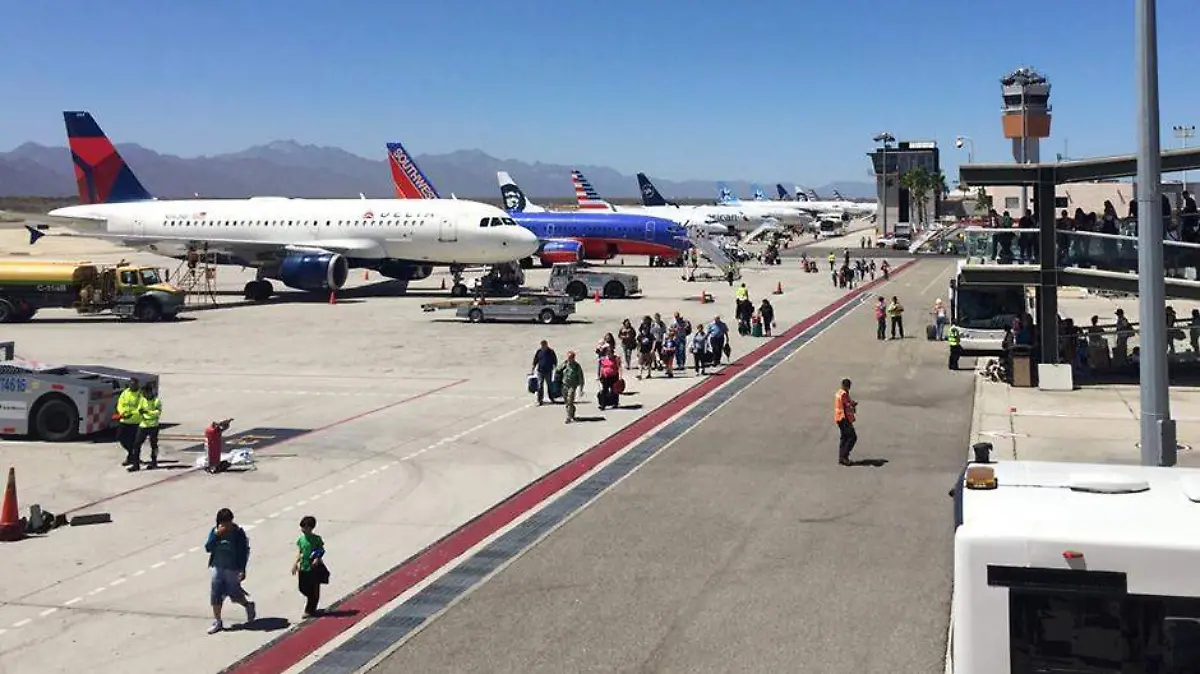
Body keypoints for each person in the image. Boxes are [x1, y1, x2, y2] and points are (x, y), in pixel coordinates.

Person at [205, 508, 255, 634]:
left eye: (228, 523)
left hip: (232, 568)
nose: (226, 526)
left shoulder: (238, 533)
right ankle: (218, 621)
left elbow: (243, 553)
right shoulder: (215, 531)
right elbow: (208, 548)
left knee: (235, 594)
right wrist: (216, 535)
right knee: (216, 594)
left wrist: (242, 570)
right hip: (217, 566)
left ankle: (248, 605)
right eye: (223, 523)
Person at [291, 515, 326, 618]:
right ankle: (311, 603)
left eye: (305, 527)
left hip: (314, 568)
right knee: (302, 588)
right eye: (302, 527)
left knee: (314, 589)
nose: (303, 529)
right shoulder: (301, 540)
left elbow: (321, 550)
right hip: (303, 567)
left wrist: (317, 558)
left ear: (311, 528)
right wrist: (295, 564)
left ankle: (310, 610)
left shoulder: (316, 539)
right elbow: (300, 552)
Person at [131, 383, 162, 471]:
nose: (143, 395)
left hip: (153, 426)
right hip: (143, 425)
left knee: (153, 445)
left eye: (145, 393)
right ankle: (135, 464)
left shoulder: (156, 401)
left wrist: (147, 412)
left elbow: (157, 413)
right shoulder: (142, 400)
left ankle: (154, 462)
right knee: (136, 445)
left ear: (149, 392)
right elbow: (139, 409)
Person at [116, 379, 143, 468]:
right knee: (121, 438)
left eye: (134, 384)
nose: (132, 386)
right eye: (131, 384)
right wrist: (122, 412)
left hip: (136, 421)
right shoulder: (125, 393)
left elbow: (142, 407)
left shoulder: (141, 394)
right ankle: (132, 454)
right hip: (124, 421)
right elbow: (120, 403)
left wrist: (132, 414)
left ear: (137, 385)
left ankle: (132, 457)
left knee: (135, 442)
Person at [556, 351, 585, 423]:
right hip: (564, 385)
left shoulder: (576, 366)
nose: (569, 359)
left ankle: (568, 417)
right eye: (568, 357)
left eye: (571, 357)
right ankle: (572, 411)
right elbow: (557, 370)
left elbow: (581, 378)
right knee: (567, 402)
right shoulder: (565, 364)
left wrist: (581, 389)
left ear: (573, 358)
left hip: (572, 386)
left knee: (570, 400)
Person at [834, 378, 858, 466]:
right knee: (852, 437)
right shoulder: (844, 394)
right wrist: (853, 405)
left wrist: (851, 403)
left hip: (839, 418)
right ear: (847, 386)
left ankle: (841, 457)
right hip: (844, 418)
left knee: (844, 437)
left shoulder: (839, 393)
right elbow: (846, 405)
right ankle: (844, 457)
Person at [530, 340, 558, 406]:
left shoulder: (551, 352)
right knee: (540, 386)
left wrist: (555, 368)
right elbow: (535, 360)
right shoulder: (539, 351)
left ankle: (551, 398)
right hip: (540, 371)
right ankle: (539, 400)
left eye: (544, 345)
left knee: (549, 385)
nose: (543, 346)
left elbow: (555, 360)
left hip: (548, 371)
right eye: (542, 345)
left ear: (546, 345)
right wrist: (533, 369)